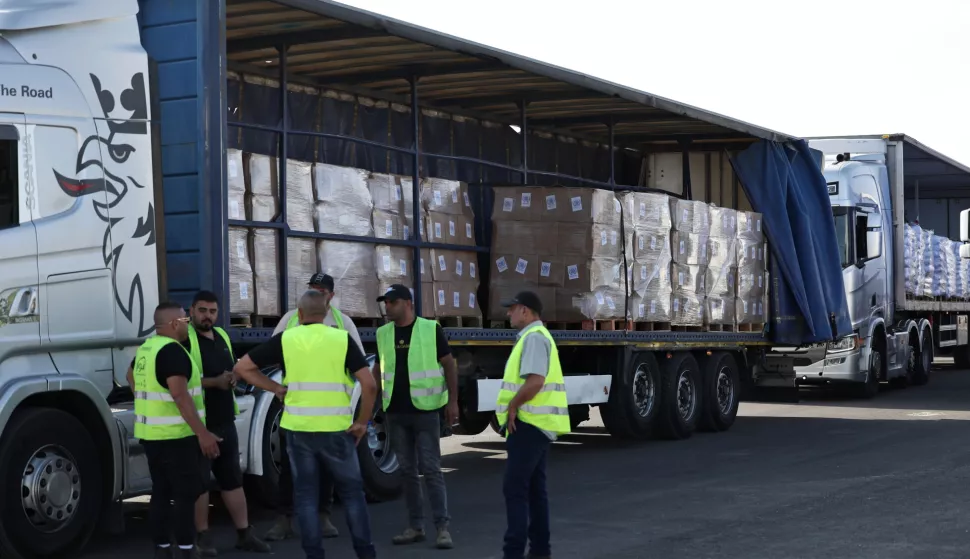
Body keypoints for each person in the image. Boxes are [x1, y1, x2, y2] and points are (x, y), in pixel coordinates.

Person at [234, 290, 378, 559]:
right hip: (337, 430)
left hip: (298, 431)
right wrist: (362, 422)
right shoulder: (341, 339)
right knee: (352, 495)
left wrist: (275, 387)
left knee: (306, 497)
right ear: (325, 315)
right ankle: (365, 552)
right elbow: (369, 384)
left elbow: (243, 368)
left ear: (298, 315)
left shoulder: (286, 339)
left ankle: (314, 554)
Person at [264, 273, 363, 542]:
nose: (317, 293)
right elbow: (273, 355)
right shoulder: (290, 319)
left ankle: (323, 517)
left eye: (321, 289)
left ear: (331, 294)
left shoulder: (343, 323)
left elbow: (359, 367)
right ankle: (284, 520)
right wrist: (279, 387)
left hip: (332, 413)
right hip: (297, 412)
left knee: (327, 469)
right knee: (289, 469)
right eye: (312, 289)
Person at [131, 302, 222, 559]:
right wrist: (203, 433)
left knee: (160, 492)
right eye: (184, 321)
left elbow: (131, 376)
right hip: (177, 437)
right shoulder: (173, 352)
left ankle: (162, 548)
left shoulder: (147, 348)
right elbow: (181, 396)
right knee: (185, 495)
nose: (188, 324)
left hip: (152, 436)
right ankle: (185, 548)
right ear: (173, 324)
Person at [184, 291, 270, 556]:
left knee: (232, 480)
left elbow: (229, 368)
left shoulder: (221, 336)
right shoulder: (184, 340)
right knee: (200, 485)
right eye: (202, 310)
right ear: (191, 311)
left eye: (212, 311)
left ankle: (245, 533)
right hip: (200, 425)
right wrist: (214, 382)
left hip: (224, 421)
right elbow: (178, 382)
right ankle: (202, 538)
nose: (207, 316)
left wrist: (232, 377)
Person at [372, 284, 458, 549]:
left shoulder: (430, 329)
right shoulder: (383, 333)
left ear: (408, 303)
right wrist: (373, 405)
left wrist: (453, 401)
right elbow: (378, 369)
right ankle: (416, 526)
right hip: (396, 414)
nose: (387, 307)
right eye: (385, 302)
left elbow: (449, 363)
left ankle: (442, 528)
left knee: (431, 469)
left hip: (425, 411)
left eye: (392, 302)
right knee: (408, 472)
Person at [494, 291, 570, 559]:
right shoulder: (534, 337)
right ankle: (539, 551)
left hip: (528, 424)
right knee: (535, 490)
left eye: (511, 309)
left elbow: (535, 381)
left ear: (525, 311)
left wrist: (512, 406)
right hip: (536, 425)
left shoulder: (535, 338)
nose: (508, 313)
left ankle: (513, 552)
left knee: (515, 489)